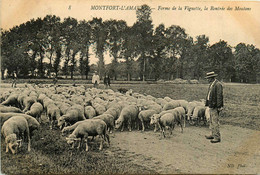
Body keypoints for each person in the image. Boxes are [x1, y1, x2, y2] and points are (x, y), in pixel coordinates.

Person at [205, 71, 223, 143]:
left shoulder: (218, 84)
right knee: (211, 121)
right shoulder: (211, 84)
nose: (207, 80)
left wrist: (219, 106)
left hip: (215, 105)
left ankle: (217, 137)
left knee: (215, 121)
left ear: (212, 78)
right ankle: (212, 134)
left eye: (208, 78)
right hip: (211, 104)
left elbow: (219, 96)